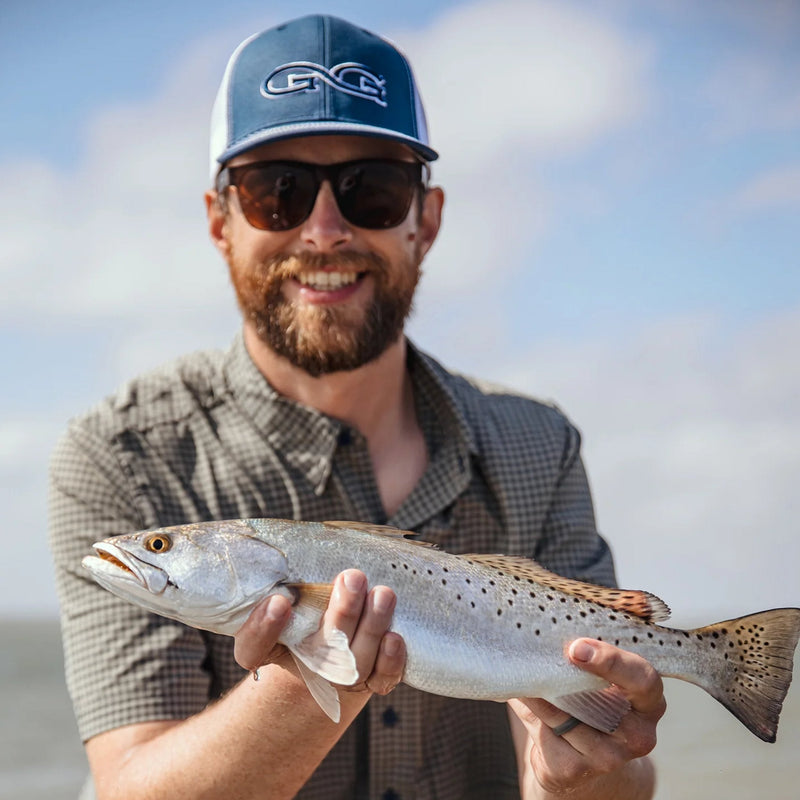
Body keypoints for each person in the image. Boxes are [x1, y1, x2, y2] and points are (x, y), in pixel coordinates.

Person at [49, 14, 664, 800]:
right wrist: (312, 672)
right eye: (279, 193)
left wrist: (579, 770)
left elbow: (606, 772)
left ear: (427, 219)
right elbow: (132, 789)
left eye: (373, 190)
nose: (326, 230)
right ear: (219, 221)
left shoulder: (539, 444)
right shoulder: (118, 454)